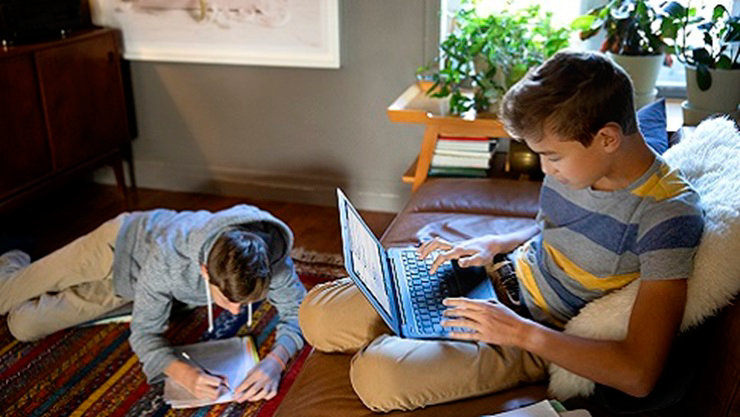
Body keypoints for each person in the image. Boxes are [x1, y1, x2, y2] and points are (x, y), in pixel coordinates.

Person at [298, 51, 704, 412]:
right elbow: (558, 229)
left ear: (607, 138)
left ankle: (410, 339)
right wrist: (492, 244)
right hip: (488, 277)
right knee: (315, 316)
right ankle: (412, 327)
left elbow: (639, 373)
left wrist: (519, 333)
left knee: (378, 378)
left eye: (553, 157)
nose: (546, 171)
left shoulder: (666, 216)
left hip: (530, 329)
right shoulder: (583, 166)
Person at [0, 204, 306, 403]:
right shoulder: (170, 256)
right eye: (227, 300)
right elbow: (145, 335)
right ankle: (14, 255)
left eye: (247, 303)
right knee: (4, 296)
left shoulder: (267, 260)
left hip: (135, 288)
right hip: (116, 246)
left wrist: (275, 362)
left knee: (22, 325)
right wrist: (183, 373)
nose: (237, 312)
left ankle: (24, 268)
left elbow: (298, 311)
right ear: (204, 272)